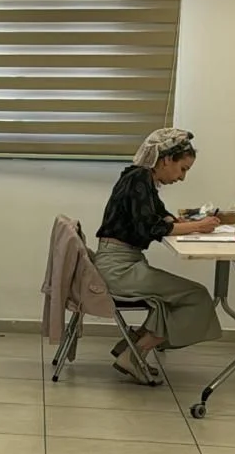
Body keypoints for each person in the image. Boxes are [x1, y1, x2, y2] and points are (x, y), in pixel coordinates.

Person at [94, 127, 222, 383]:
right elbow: (151, 228)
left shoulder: (139, 178)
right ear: (166, 160)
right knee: (196, 297)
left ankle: (132, 345)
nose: (182, 177)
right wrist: (198, 226)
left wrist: (181, 221)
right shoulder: (139, 179)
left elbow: (158, 215)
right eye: (182, 169)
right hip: (119, 269)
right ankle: (134, 353)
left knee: (172, 298)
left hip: (119, 262)